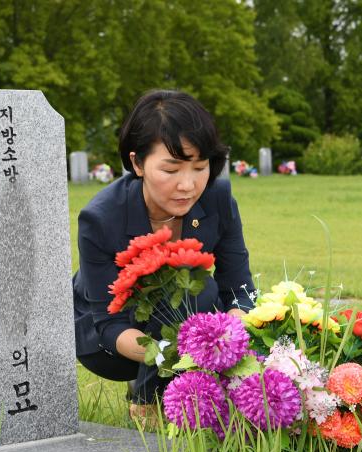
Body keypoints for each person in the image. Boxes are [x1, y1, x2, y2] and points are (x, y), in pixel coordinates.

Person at [72, 89, 256, 424]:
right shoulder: (100, 218)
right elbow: (107, 325)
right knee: (193, 290)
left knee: (204, 292)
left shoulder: (218, 199)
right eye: (171, 170)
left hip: (185, 325)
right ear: (136, 163)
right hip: (112, 343)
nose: (188, 185)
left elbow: (240, 292)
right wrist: (175, 355)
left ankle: (181, 387)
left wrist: (232, 343)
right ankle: (148, 399)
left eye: (200, 167)